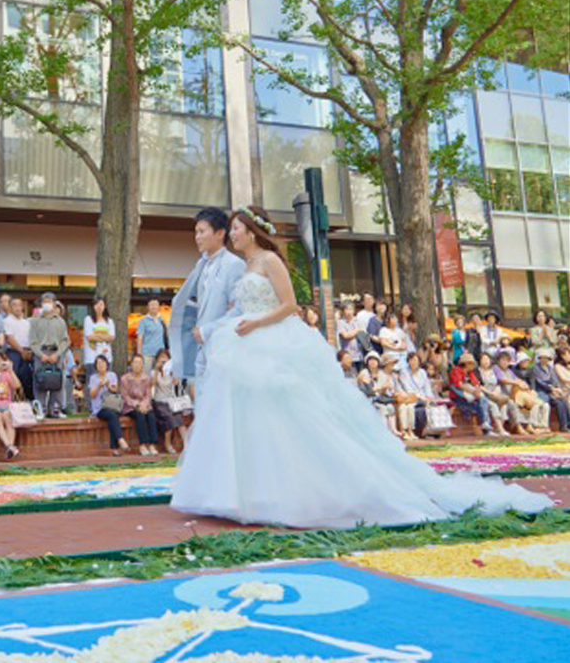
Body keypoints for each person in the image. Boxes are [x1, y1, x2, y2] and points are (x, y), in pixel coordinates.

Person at [171, 206, 550, 528]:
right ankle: (250, 489)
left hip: (272, 337)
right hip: (247, 339)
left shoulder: (269, 261)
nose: (233, 234)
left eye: (236, 228)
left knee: (294, 412)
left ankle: (297, 489)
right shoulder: (245, 264)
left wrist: (253, 323)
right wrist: (225, 326)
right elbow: (238, 308)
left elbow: (288, 306)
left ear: (250, 230)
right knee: (250, 415)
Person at [169, 207, 247, 385]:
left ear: (220, 233)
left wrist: (207, 331)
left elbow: (240, 309)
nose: (197, 237)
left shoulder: (234, 265)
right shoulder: (201, 265)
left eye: (202, 232)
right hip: (201, 351)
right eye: (196, 232)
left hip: (223, 349)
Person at [30, 292, 70, 418]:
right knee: (39, 382)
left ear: (54, 304)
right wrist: (40, 354)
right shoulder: (35, 321)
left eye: (49, 301)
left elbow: (65, 340)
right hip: (40, 353)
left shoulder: (60, 322)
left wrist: (58, 354)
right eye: (44, 301)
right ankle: (40, 410)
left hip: (56, 354)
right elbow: (32, 341)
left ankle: (56, 410)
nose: (47, 304)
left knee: (57, 382)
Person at [398, 352, 454, 438]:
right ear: (408, 361)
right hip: (413, 398)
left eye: (415, 360)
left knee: (440, 404)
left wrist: (430, 397)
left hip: (424, 397)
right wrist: (421, 398)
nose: (413, 362)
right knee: (424, 407)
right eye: (411, 360)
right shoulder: (404, 372)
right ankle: (427, 431)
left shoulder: (422, 372)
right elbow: (407, 388)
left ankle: (440, 429)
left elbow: (427, 386)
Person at [88, 355, 129, 456]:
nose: (101, 365)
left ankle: (115, 449)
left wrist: (107, 385)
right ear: (95, 366)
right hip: (100, 408)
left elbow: (115, 390)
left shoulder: (112, 375)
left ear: (107, 364)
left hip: (112, 405)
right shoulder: (93, 378)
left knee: (112, 418)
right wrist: (99, 386)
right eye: (98, 363)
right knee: (112, 416)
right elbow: (92, 395)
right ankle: (120, 440)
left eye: (103, 363)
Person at [448, 352, 496, 437]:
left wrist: (481, 392)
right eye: (471, 363)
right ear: (466, 364)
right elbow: (459, 385)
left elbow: (477, 384)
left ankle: (486, 426)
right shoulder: (457, 370)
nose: (473, 366)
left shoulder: (470, 373)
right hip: (458, 398)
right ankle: (486, 427)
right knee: (481, 404)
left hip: (470, 398)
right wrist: (473, 391)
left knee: (482, 401)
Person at [151, 349, 189, 454]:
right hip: (159, 402)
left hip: (171, 401)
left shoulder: (171, 371)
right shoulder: (154, 372)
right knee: (169, 419)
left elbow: (177, 385)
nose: (163, 362)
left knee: (179, 419)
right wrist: (157, 370)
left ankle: (187, 444)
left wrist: (175, 377)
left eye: (165, 360)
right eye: (161, 360)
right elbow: (153, 384)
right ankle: (167, 444)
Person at [121, 353, 159, 456]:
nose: (137, 365)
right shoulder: (125, 378)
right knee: (140, 416)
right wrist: (137, 405)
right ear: (131, 364)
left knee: (151, 415)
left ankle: (152, 444)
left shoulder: (146, 378)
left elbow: (148, 394)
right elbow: (125, 396)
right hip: (130, 406)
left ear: (143, 365)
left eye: (140, 363)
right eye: (135, 362)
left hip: (144, 405)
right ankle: (142, 444)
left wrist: (144, 404)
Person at [493, 350, 535, 436]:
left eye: (507, 361)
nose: (505, 363)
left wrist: (524, 384)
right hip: (500, 395)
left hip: (511, 394)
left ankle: (528, 424)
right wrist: (516, 383)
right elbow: (502, 380)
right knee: (512, 403)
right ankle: (518, 426)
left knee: (527, 400)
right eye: (503, 360)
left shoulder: (509, 371)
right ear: (499, 361)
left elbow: (517, 379)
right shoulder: (496, 368)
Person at [357, 351, 399, 436]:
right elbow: (369, 391)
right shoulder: (364, 373)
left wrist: (385, 388)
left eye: (374, 360)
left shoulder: (382, 374)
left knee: (390, 407)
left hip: (380, 398)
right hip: (369, 398)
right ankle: (384, 431)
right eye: (370, 360)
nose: (372, 363)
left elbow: (384, 391)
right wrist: (380, 388)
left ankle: (394, 430)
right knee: (382, 409)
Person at [533, 348, 570, 433]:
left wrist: (557, 388)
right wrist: (551, 388)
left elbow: (555, 380)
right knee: (558, 403)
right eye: (543, 358)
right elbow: (540, 382)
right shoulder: (536, 368)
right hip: (542, 391)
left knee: (563, 402)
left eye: (547, 358)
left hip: (552, 391)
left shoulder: (550, 368)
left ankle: (567, 425)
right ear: (540, 358)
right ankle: (563, 426)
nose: (545, 360)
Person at [3, 297, 33, 399]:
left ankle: (26, 402)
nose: (17, 308)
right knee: (12, 378)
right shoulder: (7, 321)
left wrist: (28, 352)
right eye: (14, 305)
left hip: (27, 353)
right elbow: (9, 338)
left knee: (26, 379)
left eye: (19, 305)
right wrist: (21, 351)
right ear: (10, 307)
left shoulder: (26, 322)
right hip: (13, 352)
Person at [514, 352, 551, 434]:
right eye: (524, 361)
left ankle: (543, 426)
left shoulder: (530, 371)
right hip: (519, 393)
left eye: (527, 361)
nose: (526, 363)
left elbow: (532, 382)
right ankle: (533, 425)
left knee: (545, 405)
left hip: (529, 392)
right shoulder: (514, 370)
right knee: (535, 404)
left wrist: (533, 390)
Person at [83, 297, 116, 387]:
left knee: (106, 382)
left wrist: (97, 336)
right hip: (91, 357)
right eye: (96, 304)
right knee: (92, 383)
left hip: (107, 357)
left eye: (101, 304)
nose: (99, 307)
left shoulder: (109, 321)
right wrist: (104, 337)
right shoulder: (88, 320)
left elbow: (112, 337)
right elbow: (89, 337)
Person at [477, 352, 512, 437]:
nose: (486, 361)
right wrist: (490, 393)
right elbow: (478, 386)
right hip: (485, 395)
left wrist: (496, 391)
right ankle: (501, 430)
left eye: (487, 359)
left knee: (505, 405)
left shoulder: (492, 371)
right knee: (493, 406)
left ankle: (499, 427)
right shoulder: (478, 371)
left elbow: (497, 383)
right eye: (484, 359)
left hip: (495, 394)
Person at [137, 299, 168, 373]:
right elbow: (140, 338)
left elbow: (166, 335)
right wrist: (139, 354)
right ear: (148, 307)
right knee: (146, 375)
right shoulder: (143, 321)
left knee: (160, 374)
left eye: (155, 304)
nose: (154, 307)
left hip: (160, 354)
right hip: (147, 354)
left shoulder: (162, 320)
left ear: (158, 307)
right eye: (151, 305)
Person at [336, 302, 363, 369]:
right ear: (343, 311)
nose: (349, 312)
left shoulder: (358, 321)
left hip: (359, 355)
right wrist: (357, 331)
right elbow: (345, 336)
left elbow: (363, 334)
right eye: (347, 309)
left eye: (351, 309)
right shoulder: (340, 323)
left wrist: (352, 334)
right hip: (347, 356)